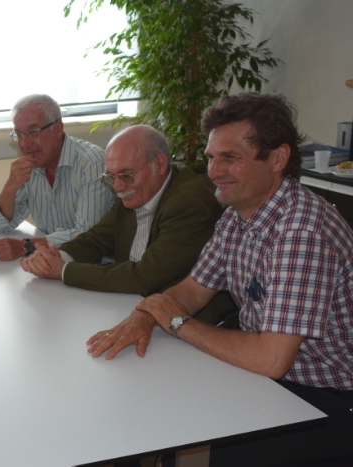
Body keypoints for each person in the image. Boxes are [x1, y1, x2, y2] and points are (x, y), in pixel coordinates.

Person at [88, 94, 353, 465]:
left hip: (329, 396)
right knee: (151, 410)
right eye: (212, 157)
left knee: (209, 446)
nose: (213, 171)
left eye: (230, 157)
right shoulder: (237, 213)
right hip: (274, 377)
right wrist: (145, 315)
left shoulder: (302, 232)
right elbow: (192, 291)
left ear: (278, 158)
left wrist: (177, 323)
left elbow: (271, 359)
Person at [20, 125, 233, 324]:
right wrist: (57, 257)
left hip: (184, 323)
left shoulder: (188, 204)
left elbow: (144, 277)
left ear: (160, 164)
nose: (117, 186)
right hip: (129, 306)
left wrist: (63, 270)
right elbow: (97, 239)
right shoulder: (133, 189)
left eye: (126, 175)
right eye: (111, 177)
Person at [0, 94, 113, 261]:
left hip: (94, 265)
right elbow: (0, 224)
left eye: (33, 132)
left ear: (58, 129)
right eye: (19, 135)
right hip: (51, 261)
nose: (24, 144)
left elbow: (86, 236)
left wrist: (25, 246)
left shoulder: (91, 163)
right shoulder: (32, 165)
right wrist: (10, 186)